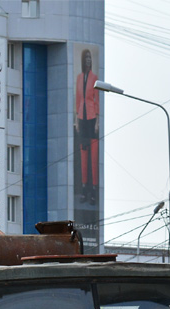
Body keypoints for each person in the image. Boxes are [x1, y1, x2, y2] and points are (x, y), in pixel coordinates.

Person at [74, 48, 99, 205]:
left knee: (94, 155)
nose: (88, 60)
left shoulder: (95, 78)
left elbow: (97, 99)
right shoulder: (79, 78)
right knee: (83, 154)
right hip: (82, 118)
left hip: (92, 118)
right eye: (86, 58)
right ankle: (84, 189)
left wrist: (97, 120)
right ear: (83, 61)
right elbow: (77, 98)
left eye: (90, 58)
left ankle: (94, 190)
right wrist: (77, 120)